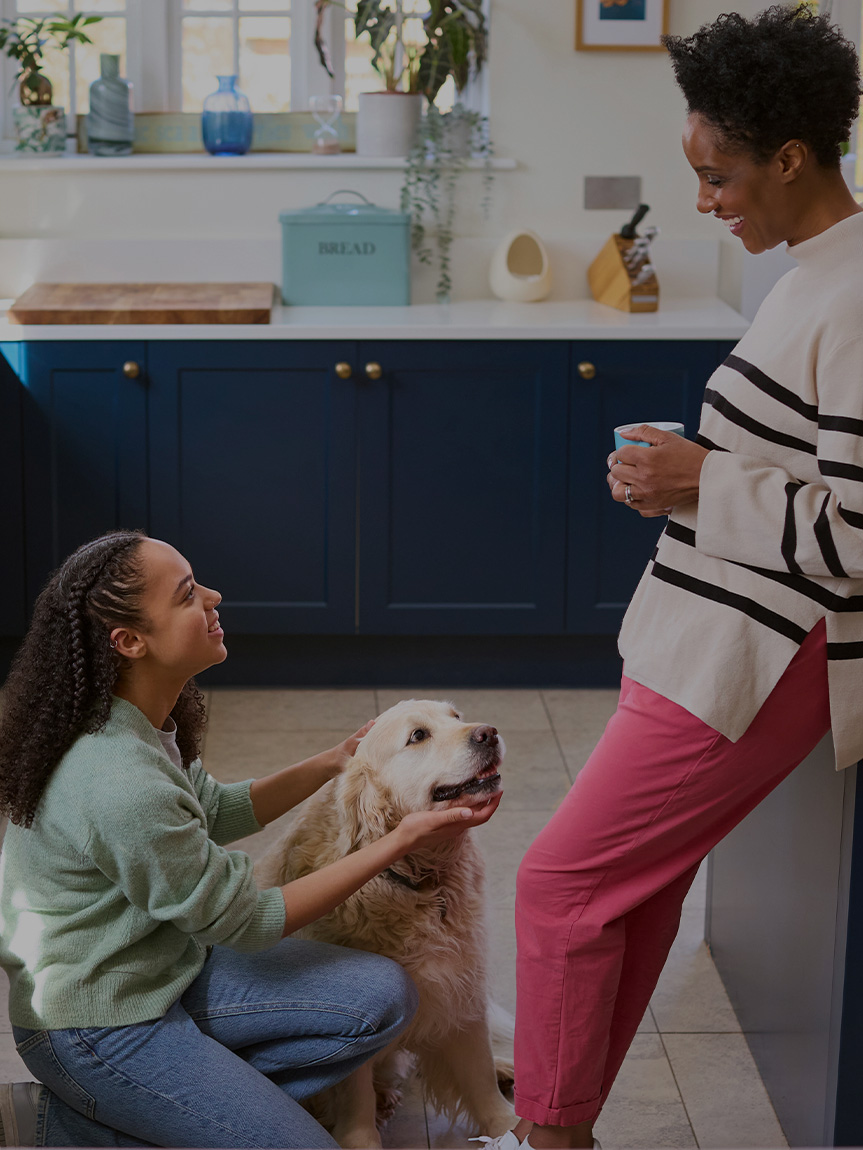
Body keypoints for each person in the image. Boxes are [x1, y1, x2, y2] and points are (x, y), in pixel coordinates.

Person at [477, 7, 863, 1150]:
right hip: (714, 635)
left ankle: (549, 1134)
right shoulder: (807, 274)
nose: (703, 200)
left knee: (555, 886)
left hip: (762, 650)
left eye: (718, 175)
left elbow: (853, 535)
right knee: (623, 893)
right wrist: (680, 480)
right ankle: (566, 1121)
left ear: (788, 158)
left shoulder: (852, 298)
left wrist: (699, 478)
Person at [0, 529, 502, 1149]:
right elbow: (250, 920)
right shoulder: (116, 780)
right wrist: (400, 841)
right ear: (129, 642)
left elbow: (210, 807)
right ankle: (68, 1121)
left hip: (166, 970)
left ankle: (167, 1106)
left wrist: (331, 761)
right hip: (103, 1024)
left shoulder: (136, 723)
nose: (212, 596)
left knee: (382, 994)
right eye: (187, 595)